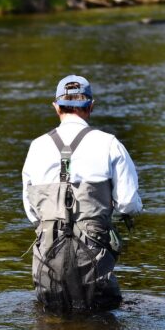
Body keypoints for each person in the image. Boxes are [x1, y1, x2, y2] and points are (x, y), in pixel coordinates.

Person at [22, 74, 143, 312]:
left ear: (56, 107)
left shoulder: (36, 147)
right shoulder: (109, 144)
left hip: (48, 261)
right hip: (94, 260)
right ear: (91, 106)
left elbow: (32, 211)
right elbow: (128, 204)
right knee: (103, 329)